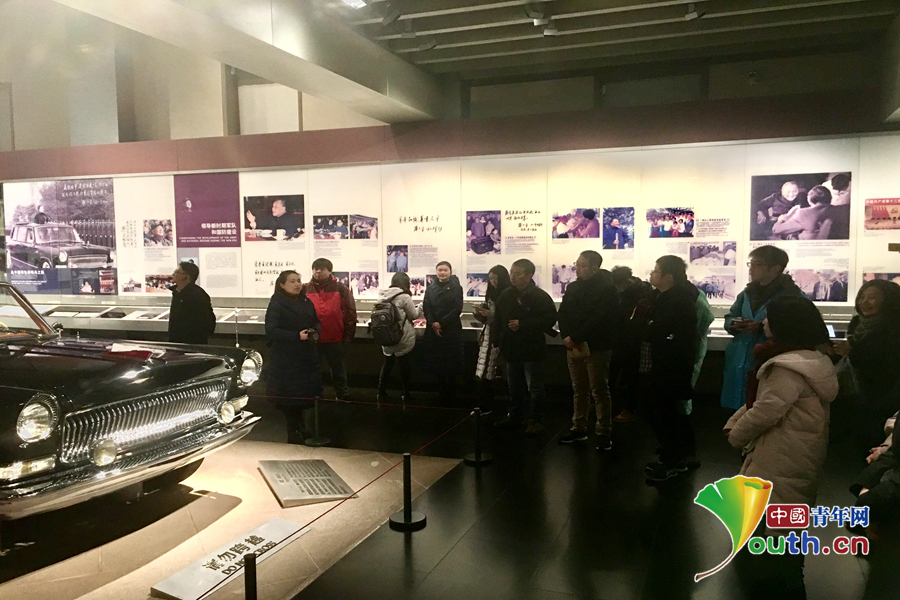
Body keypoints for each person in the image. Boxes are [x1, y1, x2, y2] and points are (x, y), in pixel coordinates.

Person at [725, 296, 837, 599]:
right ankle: (786, 575)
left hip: (779, 450)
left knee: (777, 515)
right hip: (801, 448)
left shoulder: (785, 367)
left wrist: (737, 434)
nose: (764, 322)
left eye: (769, 317)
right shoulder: (812, 359)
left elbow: (766, 410)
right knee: (790, 510)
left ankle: (779, 581)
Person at [636, 256, 698, 481]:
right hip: (662, 363)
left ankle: (673, 460)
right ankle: (678, 453)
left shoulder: (678, 301)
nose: (652, 275)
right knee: (664, 411)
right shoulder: (661, 297)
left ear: (668, 277)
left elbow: (660, 331)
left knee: (665, 412)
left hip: (670, 366)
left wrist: (647, 326)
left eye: (656, 271)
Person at [721, 245, 804, 410]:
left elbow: (796, 329)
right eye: (750, 264)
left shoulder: (792, 296)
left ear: (775, 268)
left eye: (757, 264)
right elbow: (730, 316)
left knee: (761, 408)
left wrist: (760, 328)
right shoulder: (747, 293)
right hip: (739, 356)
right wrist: (734, 324)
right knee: (734, 409)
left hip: (769, 358)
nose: (751, 269)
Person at [557, 251, 619, 450]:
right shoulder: (573, 287)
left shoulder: (607, 289)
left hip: (597, 346)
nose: (578, 269)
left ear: (594, 268)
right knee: (579, 389)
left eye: (582, 265)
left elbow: (600, 318)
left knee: (599, 389)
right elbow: (563, 313)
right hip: (573, 344)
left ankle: (603, 431)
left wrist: (576, 336)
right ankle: (579, 427)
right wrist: (567, 336)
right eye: (577, 264)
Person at [833, 279, 900, 452]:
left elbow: (888, 364)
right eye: (862, 297)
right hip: (857, 394)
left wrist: (853, 352)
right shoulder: (858, 323)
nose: (865, 302)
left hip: (883, 397)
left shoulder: (894, 327)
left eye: (872, 298)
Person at [494, 259, 558, 435]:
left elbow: (550, 319)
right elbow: (498, 320)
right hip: (511, 347)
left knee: (534, 386)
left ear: (529, 275)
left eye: (518, 273)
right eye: (511, 273)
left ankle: (535, 420)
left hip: (531, 347)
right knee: (514, 386)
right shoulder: (505, 295)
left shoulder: (539, 296)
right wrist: (497, 342)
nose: (513, 277)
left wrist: (523, 324)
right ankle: (515, 416)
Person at [265, 270, 322, 444]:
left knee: (303, 396)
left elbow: (316, 320)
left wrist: (314, 330)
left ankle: (300, 426)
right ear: (282, 284)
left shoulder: (305, 301)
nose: (297, 284)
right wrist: (296, 336)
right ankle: (294, 430)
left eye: (298, 280)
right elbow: (271, 330)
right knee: (289, 397)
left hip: (305, 356)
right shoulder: (277, 303)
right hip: (286, 357)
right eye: (292, 281)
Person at [305, 258, 357, 401]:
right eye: (315, 269)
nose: (318, 272)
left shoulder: (341, 289)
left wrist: (349, 334)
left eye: (322, 269)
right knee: (313, 368)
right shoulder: (305, 289)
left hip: (335, 336)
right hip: (313, 338)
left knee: (338, 367)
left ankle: (342, 393)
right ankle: (315, 392)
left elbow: (350, 311)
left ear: (330, 271)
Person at [377, 272, 422, 404]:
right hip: (401, 336)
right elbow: (413, 315)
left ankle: (381, 391)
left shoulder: (383, 295)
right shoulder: (404, 297)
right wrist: (421, 306)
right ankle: (405, 393)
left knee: (387, 363)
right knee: (404, 364)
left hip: (387, 335)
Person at [423, 261, 464, 401]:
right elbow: (427, 308)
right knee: (437, 361)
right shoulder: (430, 289)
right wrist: (433, 323)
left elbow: (457, 308)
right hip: (434, 330)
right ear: (436, 272)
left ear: (450, 272)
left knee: (452, 361)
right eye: (440, 270)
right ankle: (441, 390)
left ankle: (452, 390)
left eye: (445, 270)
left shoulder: (457, 288)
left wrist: (441, 323)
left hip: (451, 329)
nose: (442, 272)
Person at [472, 265, 511, 415]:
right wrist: (480, 314)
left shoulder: (507, 294)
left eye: (496, 278)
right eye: (491, 279)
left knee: (501, 373)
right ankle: (485, 405)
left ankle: (509, 408)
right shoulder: (491, 293)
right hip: (489, 335)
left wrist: (491, 315)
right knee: (485, 372)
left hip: (500, 337)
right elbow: (489, 319)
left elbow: (504, 318)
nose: (493, 282)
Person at [168, 261, 216, 345]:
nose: (173, 274)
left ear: (185, 277)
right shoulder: (177, 292)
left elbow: (208, 319)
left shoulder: (198, 295)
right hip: (176, 341)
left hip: (192, 342)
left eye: (177, 272)